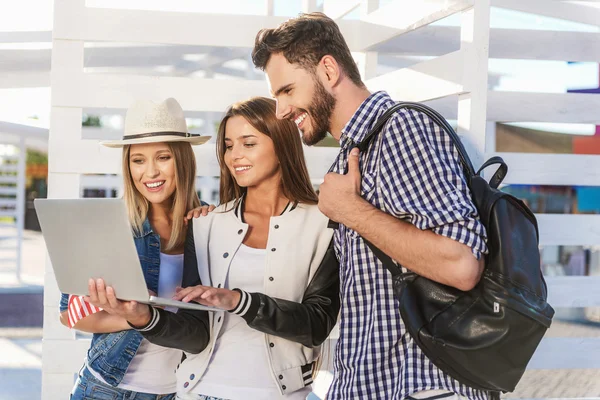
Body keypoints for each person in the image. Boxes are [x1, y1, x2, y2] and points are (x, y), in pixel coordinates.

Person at [251, 12, 489, 400]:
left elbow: (461, 264)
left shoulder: (402, 130)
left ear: (328, 70)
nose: (280, 111)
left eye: (287, 91)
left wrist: (352, 212)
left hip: (420, 387)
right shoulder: (352, 156)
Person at [85, 97, 340, 400]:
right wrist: (144, 318)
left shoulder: (324, 224)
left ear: (282, 144)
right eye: (229, 146)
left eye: (248, 143)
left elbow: (317, 324)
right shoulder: (206, 224)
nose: (235, 156)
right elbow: (196, 335)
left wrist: (238, 301)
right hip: (197, 392)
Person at [58, 98, 213, 400]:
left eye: (163, 157)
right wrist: (136, 317)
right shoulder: (111, 226)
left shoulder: (208, 224)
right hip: (106, 389)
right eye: (138, 160)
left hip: (180, 392)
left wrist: (213, 227)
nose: (150, 172)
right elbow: (69, 315)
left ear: (182, 160)